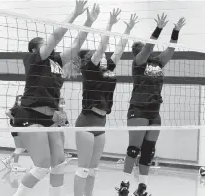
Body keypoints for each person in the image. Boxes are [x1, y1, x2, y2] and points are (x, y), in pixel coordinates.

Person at [12, 1, 88, 196]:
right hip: (31, 114)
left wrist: (87, 22)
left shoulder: (56, 61)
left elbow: (76, 46)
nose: (51, 47)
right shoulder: (33, 59)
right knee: (42, 166)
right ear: (34, 50)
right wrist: (74, 14)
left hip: (51, 118)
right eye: (44, 45)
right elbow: (54, 37)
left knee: (59, 165)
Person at [62, 6, 139, 196]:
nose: (104, 56)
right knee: (83, 168)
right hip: (87, 122)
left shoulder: (108, 67)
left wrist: (128, 29)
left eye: (104, 56)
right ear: (90, 60)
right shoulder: (90, 68)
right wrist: (110, 24)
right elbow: (102, 46)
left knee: (94, 169)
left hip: (101, 123)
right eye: (100, 56)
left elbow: (119, 50)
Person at [116, 13, 186, 196]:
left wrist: (175, 32)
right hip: (138, 109)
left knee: (149, 151)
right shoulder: (138, 63)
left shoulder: (157, 62)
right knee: (134, 149)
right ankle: (124, 185)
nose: (146, 51)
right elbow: (148, 47)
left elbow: (171, 49)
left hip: (155, 112)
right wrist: (158, 29)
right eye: (141, 49)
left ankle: (142, 187)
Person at [2, 95, 27, 172]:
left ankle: (8, 159)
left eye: (22, 99)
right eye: (19, 100)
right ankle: (15, 166)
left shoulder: (23, 109)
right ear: (16, 101)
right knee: (19, 148)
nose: (21, 101)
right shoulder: (16, 108)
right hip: (16, 131)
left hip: (21, 130)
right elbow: (7, 112)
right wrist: (13, 119)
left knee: (22, 148)